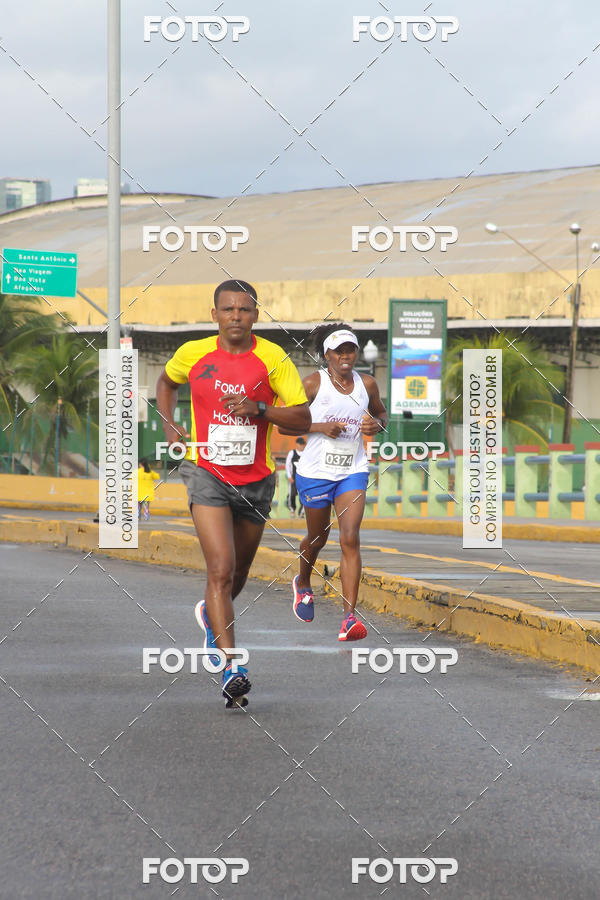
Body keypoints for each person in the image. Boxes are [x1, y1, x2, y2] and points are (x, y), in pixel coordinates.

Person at [156, 279, 310, 705]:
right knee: (220, 570)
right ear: (215, 315)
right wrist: (170, 425)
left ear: (256, 315)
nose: (236, 316)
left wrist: (260, 409)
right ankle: (232, 667)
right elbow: (166, 383)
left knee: (238, 574)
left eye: (244, 309)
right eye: (228, 309)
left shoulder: (273, 359)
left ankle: (211, 615)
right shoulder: (193, 353)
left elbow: (301, 417)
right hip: (206, 472)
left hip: (256, 480)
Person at [283, 323, 387, 641]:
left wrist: (376, 424)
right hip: (315, 472)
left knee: (350, 537)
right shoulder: (313, 384)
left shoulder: (367, 384)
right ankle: (303, 582)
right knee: (318, 538)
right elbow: (285, 424)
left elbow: (382, 415)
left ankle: (349, 619)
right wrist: (318, 427)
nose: (345, 356)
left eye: (350, 350)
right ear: (327, 354)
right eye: (338, 351)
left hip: (352, 470)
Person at [285, 437, 305, 517]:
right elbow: (287, 465)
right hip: (293, 477)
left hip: (303, 478)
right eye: (301, 444)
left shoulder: (306, 453)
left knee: (303, 495)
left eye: (303, 444)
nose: (302, 446)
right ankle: (292, 510)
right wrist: (289, 476)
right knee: (291, 494)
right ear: (297, 444)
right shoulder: (292, 453)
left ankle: (301, 512)